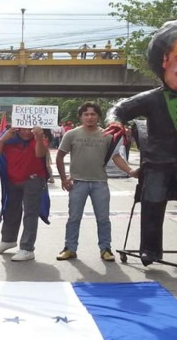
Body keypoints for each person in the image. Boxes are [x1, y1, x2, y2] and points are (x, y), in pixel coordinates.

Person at [105, 19, 177, 266]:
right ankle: (150, 250)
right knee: (152, 203)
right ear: (164, 61)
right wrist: (116, 121)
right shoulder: (150, 99)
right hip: (158, 163)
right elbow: (119, 108)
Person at [56, 102, 137, 262]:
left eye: (93, 114)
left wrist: (131, 171)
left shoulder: (107, 135)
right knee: (74, 218)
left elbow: (116, 157)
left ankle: (105, 249)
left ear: (98, 116)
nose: (89, 117)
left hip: (100, 183)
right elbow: (60, 156)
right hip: (77, 183)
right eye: (86, 114)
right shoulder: (71, 134)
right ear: (80, 117)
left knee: (103, 218)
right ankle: (70, 248)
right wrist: (64, 178)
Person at [0, 126, 48, 261]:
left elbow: (40, 154)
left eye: (30, 129)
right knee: (10, 210)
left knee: (30, 213)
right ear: (17, 129)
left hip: (33, 180)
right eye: (24, 129)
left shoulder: (40, 138)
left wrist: (38, 137)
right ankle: (8, 240)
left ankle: (27, 248)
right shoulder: (10, 140)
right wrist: (3, 139)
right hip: (12, 179)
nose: (27, 132)